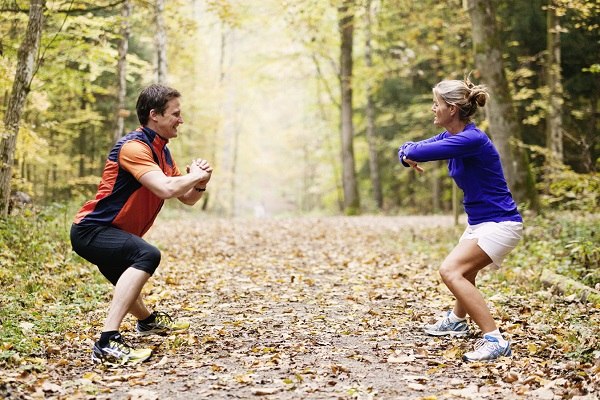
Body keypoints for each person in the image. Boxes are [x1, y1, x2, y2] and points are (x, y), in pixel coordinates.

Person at [70, 84, 213, 366]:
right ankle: (106, 342)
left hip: (113, 232)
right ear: (154, 115)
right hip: (93, 230)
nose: (181, 120)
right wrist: (193, 175)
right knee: (147, 255)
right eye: (175, 113)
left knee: (127, 282)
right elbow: (164, 188)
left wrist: (200, 183)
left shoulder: (162, 152)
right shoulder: (133, 147)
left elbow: (185, 198)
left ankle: (147, 322)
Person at [397, 77, 523, 362]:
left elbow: (416, 151)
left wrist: (408, 153)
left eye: (437, 104)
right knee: (465, 273)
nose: (433, 108)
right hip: (481, 222)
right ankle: (456, 320)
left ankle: (495, 339)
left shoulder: (471, 139)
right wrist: (405, 153)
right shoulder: (452, 138)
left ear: (452, 109)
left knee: (450, 271)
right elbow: (409, 147)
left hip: (500, 224)